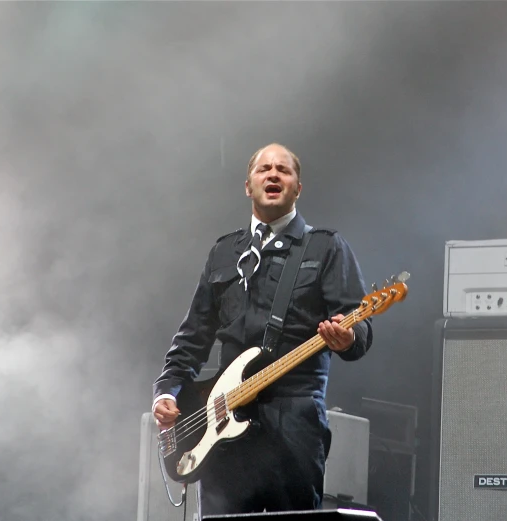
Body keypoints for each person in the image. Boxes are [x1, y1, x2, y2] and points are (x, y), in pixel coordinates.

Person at [152, 143, 374, 516]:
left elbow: (360, 325)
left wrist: (349, 337)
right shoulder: (224, 252)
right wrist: (166, 391)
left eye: (284, 170)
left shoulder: (325, 248)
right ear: (248, 185)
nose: (273, 174)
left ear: (297, 189)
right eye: (264, 169)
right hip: (222, 427)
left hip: (293, 420)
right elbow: (193, 337)